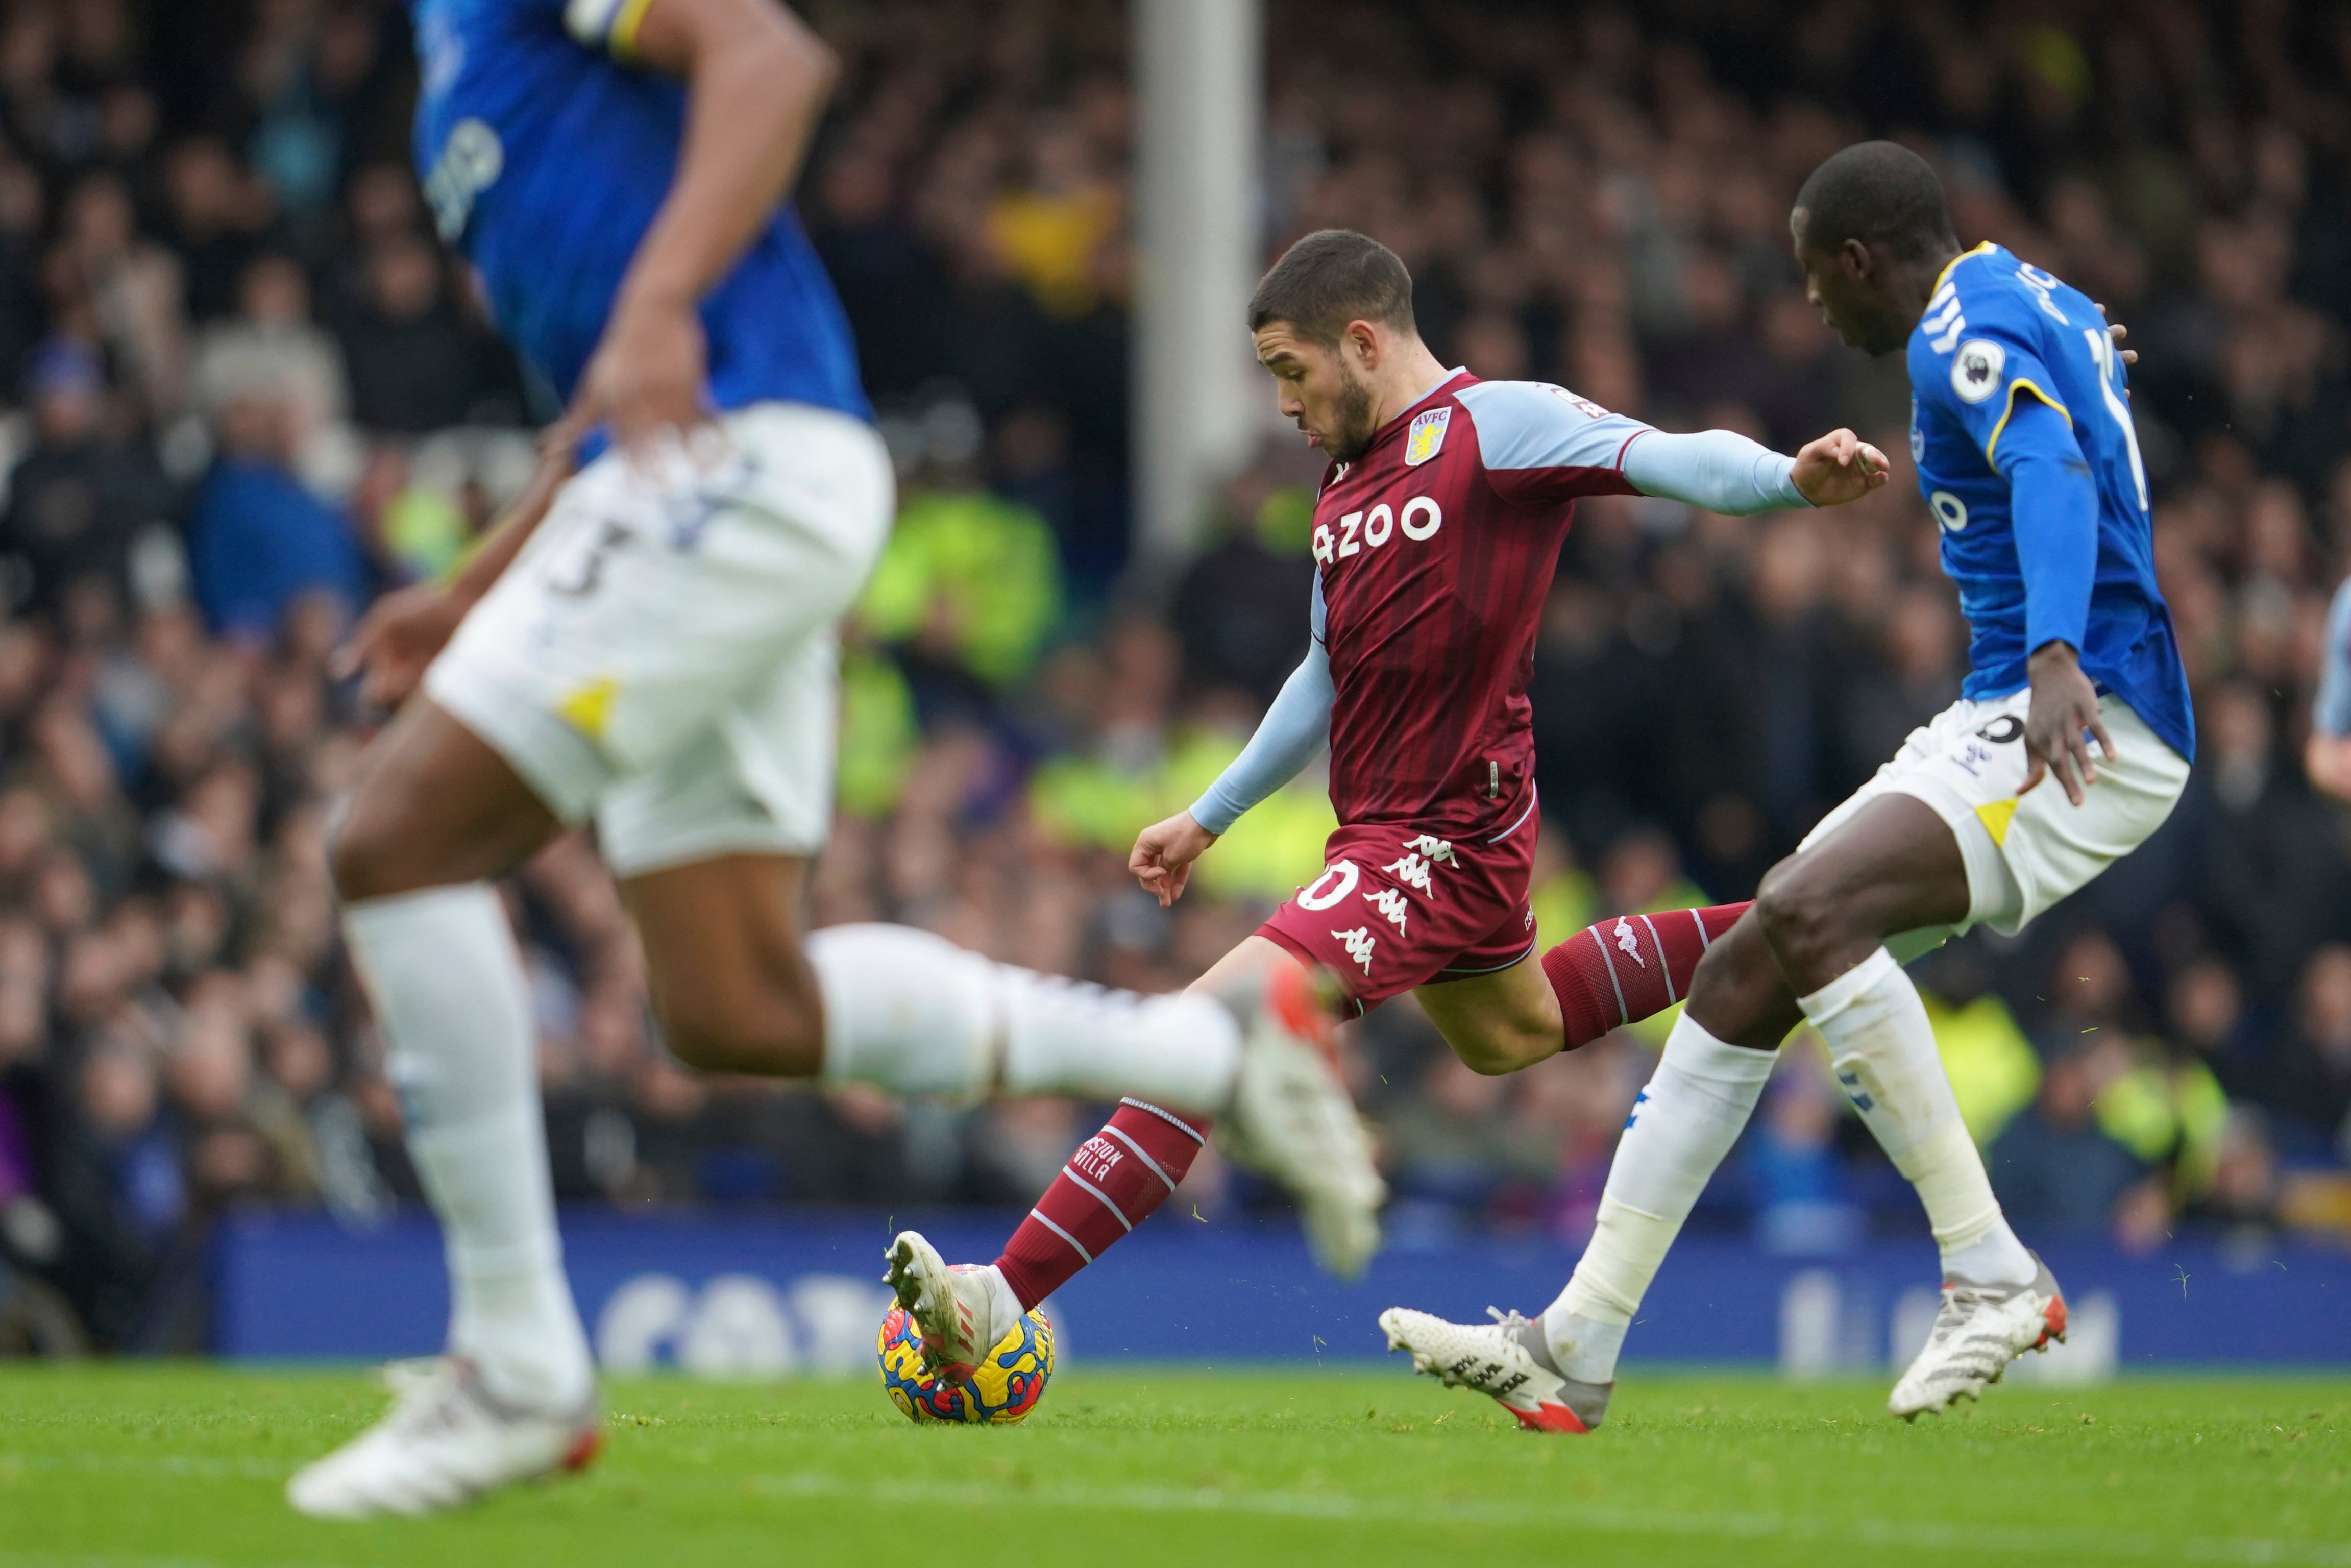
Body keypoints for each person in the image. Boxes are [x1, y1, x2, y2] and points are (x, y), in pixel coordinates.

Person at [288, 0, 1378, 1518]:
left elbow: (769, 56)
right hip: (693, 483)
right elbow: (609, 393)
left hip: (740, 470)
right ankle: (1204, 1052)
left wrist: (664, 302)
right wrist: (473, 587)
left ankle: (519, 1369)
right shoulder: (446, 58)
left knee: (390, 847)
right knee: (735, 1004)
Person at [884, 228, 1891, 1386]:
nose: (1282, 404)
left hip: (1438, 835)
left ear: (1361, 343)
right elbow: (1322, 672)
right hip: (1383, 832)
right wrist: (1206, 815)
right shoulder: (1342, 487)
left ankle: (994, 1296)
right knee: (1508, 1029)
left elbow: (1664, 457)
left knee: (1202, 1033)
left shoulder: (1493, 426)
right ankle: (1804, 923)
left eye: (1290, 371)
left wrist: (1785, 479)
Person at [1380, 141, 2192, 1432]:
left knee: (1806, 911)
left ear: (1863, 261)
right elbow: (2073, 371)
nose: (1817, 307)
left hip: (2084, 716)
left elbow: (2040, 463)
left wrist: (2050, 654)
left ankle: (1987, 1272)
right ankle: (1573, 1343)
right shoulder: (2029, 296)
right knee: (1749, 963)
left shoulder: (1948, 334)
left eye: (1820, 282)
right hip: (2013, 705)